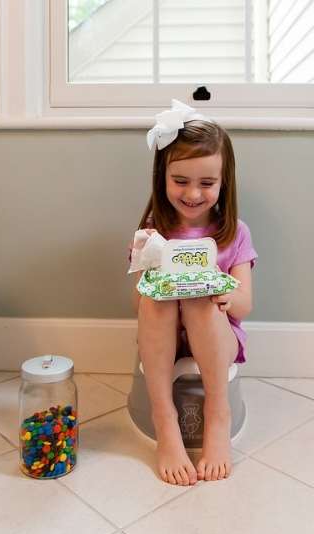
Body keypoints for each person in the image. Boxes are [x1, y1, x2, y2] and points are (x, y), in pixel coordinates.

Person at [130, 100, 257, 486]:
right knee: (156, 300)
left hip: (214, 333)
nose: (193, 193)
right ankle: (164, 418)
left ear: (224, 184)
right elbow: (138, 304)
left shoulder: (235, 233)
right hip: (165, 335)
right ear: (162, 178)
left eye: (207, 183)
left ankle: (218, 415)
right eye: (180, 181)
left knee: (200, 300)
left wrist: (223, 296)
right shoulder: (153, 232)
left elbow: (245, 306)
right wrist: (152, 267)